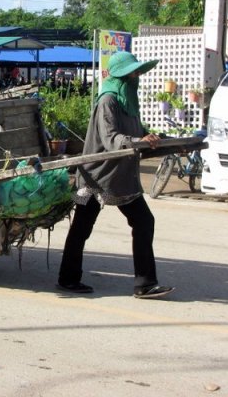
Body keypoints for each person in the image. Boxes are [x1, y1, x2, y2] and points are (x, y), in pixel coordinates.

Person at [57, 50, 175, 299]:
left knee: (144, 221)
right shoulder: (108, 100)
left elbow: (138, 131)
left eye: (137, 72)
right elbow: (111, 138)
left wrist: (155, 139)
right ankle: (68, 278)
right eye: (132, 73)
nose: (136, 76)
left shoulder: (128, 101)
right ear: (121, 75)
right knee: (81, 227)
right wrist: (137, 140)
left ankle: (145, 284)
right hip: (95, 177)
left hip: (121, 177)